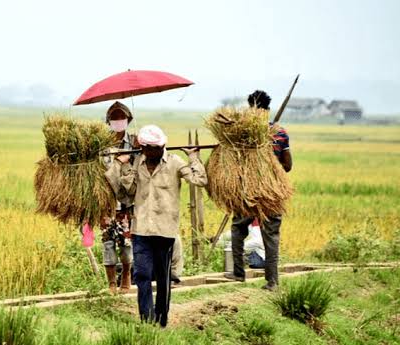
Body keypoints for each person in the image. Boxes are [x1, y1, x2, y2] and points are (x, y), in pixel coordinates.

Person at [106, 125, 207, 327]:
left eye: (159, 147)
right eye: (150, 148)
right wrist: (121, 163)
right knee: (141, 275)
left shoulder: (175, 163)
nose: (155, 152)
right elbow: (123, 191)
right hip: (141, 229)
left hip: (165, 230)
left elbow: (200, 180)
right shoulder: (136, 164)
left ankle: (161, 319)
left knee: (163, 277)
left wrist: (193, 157)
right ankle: (147, 320)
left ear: (163, 146)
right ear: (142, 148)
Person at [226, 90, 292, 291]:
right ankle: (272, 281)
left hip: (248, 192)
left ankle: (238, 273)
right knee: (271, 235)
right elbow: (287, 166)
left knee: (238, 229)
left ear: (249, 108)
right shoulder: (280, 133)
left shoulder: (241, 132)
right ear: (267, 110)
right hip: (271, 192)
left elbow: (233, 162)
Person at [100, 101, 136, 294]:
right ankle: (112, 282)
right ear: (108, 122)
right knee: (107, 243)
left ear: (128, 120)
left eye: (121, 118)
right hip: (106, 203)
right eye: (114, 118)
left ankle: (127, 277)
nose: (118, 121)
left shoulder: (135, 143)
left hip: (126, 204)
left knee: (126, 243)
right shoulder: (101, 144)